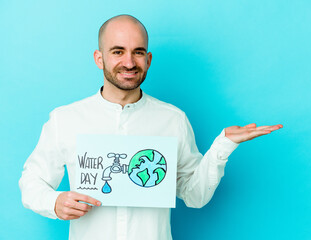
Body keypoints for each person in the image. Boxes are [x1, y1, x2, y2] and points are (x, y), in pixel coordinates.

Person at [19, 15, 282, 240]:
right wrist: (54, 202)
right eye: (118, 51)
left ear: (149, 58)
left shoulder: (173, 119)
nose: (130, 62)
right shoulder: (65, 119)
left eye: (138, 52)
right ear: (99, 58)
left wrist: (223, 145)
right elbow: (31, 183)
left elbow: (195, 196)